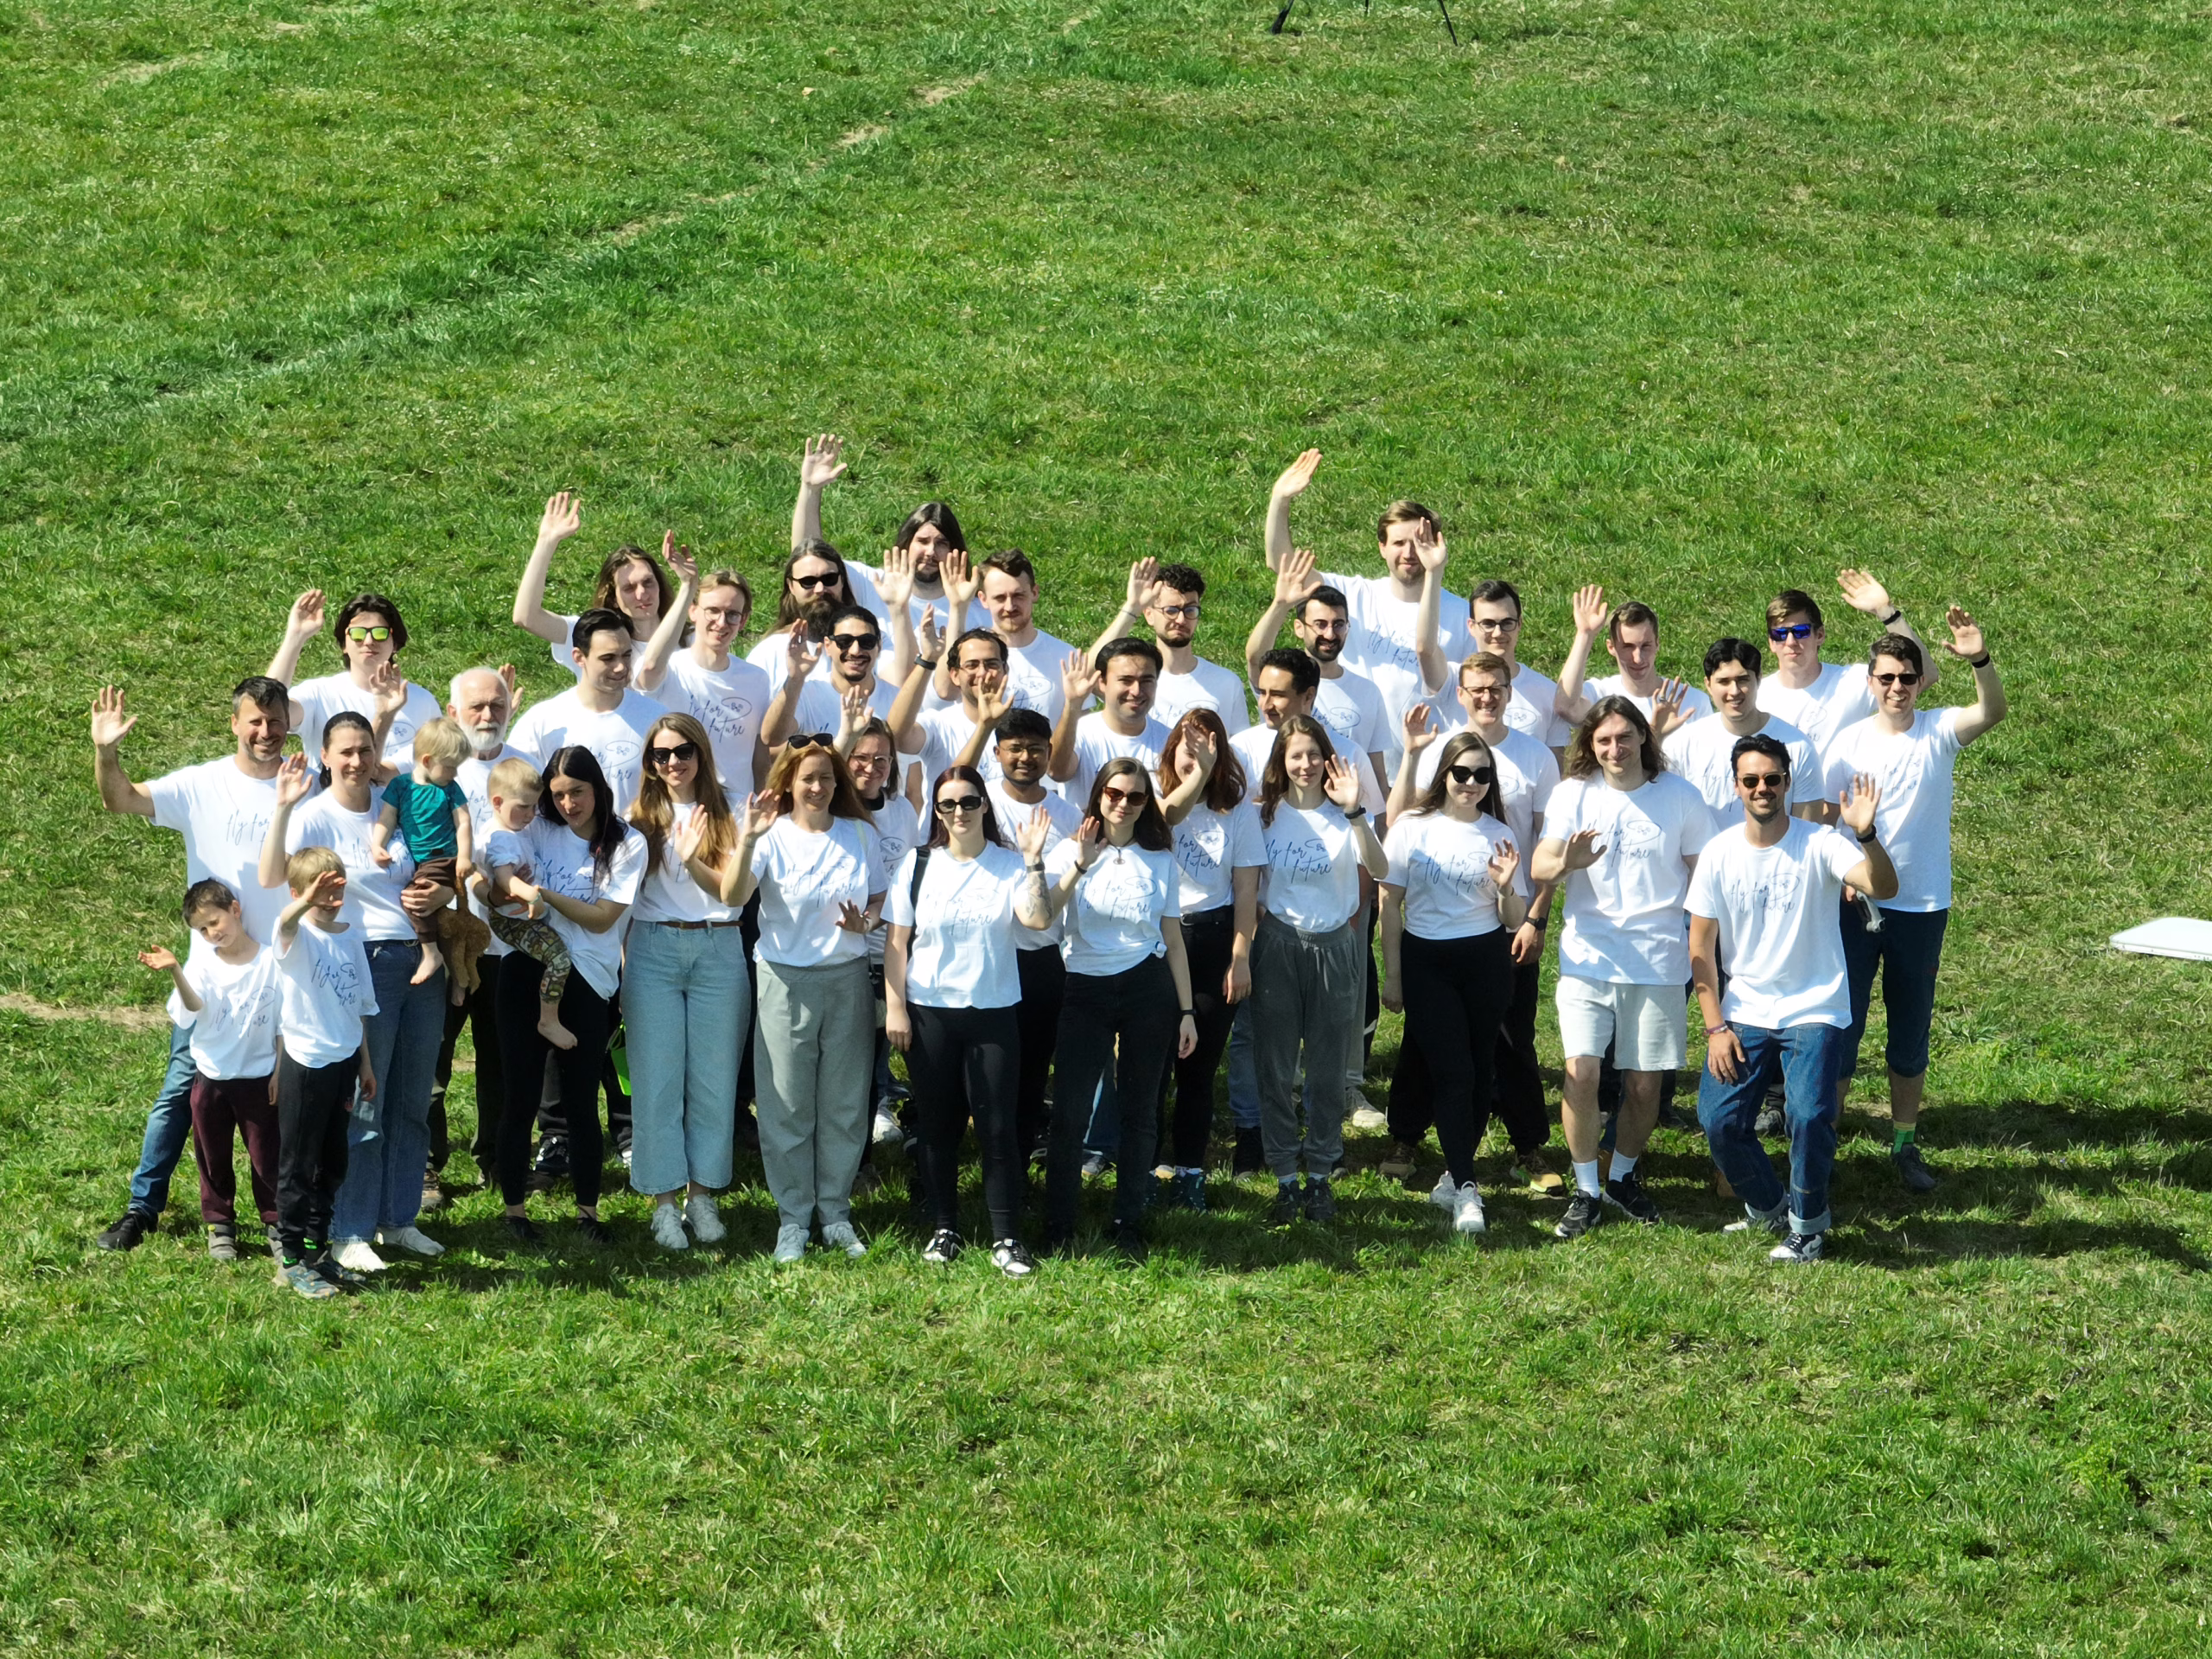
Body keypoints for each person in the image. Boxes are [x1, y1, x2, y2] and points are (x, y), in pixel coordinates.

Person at [88, 677, 294, 1253]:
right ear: (234, 723)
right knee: (182, 1094)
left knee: (294, 1102)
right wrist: (107, 751)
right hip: (212, 981)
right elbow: (119, 799)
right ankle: (142, 1209)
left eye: (275, 720)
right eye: (254, 720)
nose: (265, 731)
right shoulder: (202, 784)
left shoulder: (305, 783)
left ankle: (302, 1216)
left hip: (287, 977)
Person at [1691, 736, 1897, 1262]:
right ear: (1735, 786)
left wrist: (1866, 833)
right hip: (1744, 1010)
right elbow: (1700, 948)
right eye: (1751, 780)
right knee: (1719, 1121)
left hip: (1815, 1005)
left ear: (1787, 781)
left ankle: (1808, 1225)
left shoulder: (1821, 843)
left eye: (1772, 779)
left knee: (1809, 1115)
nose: (1763, 789)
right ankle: (1767, 1206)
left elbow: (1884, 886)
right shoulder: (1718, 853)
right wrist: (1716, 1028)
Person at [260, 715, 454, 1273]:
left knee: (413, 1102)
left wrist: (437, 895)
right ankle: (349, 1229)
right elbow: (275, 875)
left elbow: (437, 869)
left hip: (421, 957)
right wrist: (283, 808)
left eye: (364, 749)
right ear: (325, 756)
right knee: (367, 1105)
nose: (355, 761)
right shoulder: (315, 815)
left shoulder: (400, 802)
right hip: (363, 964)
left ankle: (400, 1219)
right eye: (344, 751)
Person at [1821, 612, 2006, 1192]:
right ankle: (1824, 1142)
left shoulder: (1938, 730)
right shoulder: (1847, 743)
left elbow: (1993, 712)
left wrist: (1980, 659)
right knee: (1841, 1027)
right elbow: (1826, 819)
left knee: (1909, 1032)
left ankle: (1904, 1143)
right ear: (1871, 683)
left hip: (1922, 907)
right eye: (1886, 678)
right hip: (1853, 907)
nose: (1897, 687)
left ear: (1918, 681)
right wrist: (1842, 870)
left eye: (1906, 677)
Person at [1532, 698, 1716, 1239]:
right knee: (1581, 1073)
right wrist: (1570, 861)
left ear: (1643, 738)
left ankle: (1622, 1179)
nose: (1615, 749)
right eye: (1604, 740)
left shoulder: (1679, 796)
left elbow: (1704, 875)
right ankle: (1586, 1189)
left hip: (1659, 960)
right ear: (1591, 744)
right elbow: (1541, 864)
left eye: (1625, 737)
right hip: (1588, 958)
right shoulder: (1573, 794)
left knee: (1643, 1089)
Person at [1383, 656, 1564, 1195]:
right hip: (1430, 947)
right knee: (1429, 1045)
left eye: (1481, 775)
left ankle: (1525, 1146)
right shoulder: (1433, 759)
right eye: (1476, 689)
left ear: (1511, 692)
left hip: (1502, 931)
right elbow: (1394, 863)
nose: (1471, 781)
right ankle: (1410, 1139)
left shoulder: (1533, 760)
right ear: (1460, 693)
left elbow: (1543, 846)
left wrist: (1529, 912)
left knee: (1507, 1043)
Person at [884, 766, 1057, 1276]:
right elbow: (897, 944)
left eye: (968, 801)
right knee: (938, 1127)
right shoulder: (918, 866)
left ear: (985, 805)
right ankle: (945, 1227)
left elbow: (1038, 920)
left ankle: (1007, 1237)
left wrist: (1034, 863)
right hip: (930, 1011)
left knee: (1000, 1128)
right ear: (936, 812)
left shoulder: (1008, 865)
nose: (958, 812)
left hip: (995, 1010)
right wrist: (895, 1007)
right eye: (947, 805)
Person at [721, 738, 886, 1262]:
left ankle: (834, 1212)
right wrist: (747, 840)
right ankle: (793, 1218)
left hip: (847, 978)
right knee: (786, 1104)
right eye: (807, 778)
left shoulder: (861, 834)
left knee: (843, 1102)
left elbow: (878, 898)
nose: (817, 787)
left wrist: (869, 922)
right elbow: (732, 896)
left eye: (827, 779)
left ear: (839, 785)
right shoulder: (770, 836)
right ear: (788, 782)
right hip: (784, 981)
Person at [1038, 759, 1198, 1252]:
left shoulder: (1161, 859)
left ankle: (1129, 1220)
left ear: (1147, 804)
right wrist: (1080, 864)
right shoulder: (1069, 850)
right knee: (1069, 1111)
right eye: (1114, 793)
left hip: (1147, 986)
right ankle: (1058, 1225)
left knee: (1140, 1110)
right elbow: (1042, 916)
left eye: (1135, 797)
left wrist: (1187, 1012)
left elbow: (1172, 939)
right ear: (1098, 795)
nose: (1123, 804)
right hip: (1083, 985)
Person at [494, 746, 647, 1245]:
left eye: (576, 792)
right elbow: (500, 877)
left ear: (598, 788)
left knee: (582, 1099)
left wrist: (544, 897)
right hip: (525, 967)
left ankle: (588, 1212)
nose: (566, 804)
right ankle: (515, 1211)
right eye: (557, 795)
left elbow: (604, 917)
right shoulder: (537, 828)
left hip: (590, 978)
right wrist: (497, 888)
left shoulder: (627, 843)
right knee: (519, 1095)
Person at [1379, 730, 1529, 1236]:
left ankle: (1451, 1176)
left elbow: (1513, 917)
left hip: (1485, 961)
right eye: (1461, 772)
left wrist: (1507, 886)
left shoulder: (1498, 833)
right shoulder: (1411, 828)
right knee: (1453, 1073)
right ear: (1444, 773)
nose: (1471, 783)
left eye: (1481, 775)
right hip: (1427, 962)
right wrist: (1394, 977)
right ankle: (1467, 1188)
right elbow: (1389, 905)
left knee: (1480, 1071)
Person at [1249, 716, 1390, 1224]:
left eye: (1313, 755)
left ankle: (1321, 1176)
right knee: (1276, 1067)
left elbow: (1380, 868)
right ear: (1280, 762)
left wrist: (1355, 812)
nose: (1304, 765)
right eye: (1295, 756)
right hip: (1278, 947)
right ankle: (1286, 1176)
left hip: (1336, 947)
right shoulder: (1263, 815)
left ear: (1326, 758)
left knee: (1329, 1072)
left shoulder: (1347, 814)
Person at [624, 713, 746, 1252]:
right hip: (652, 948)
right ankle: (664, 1202)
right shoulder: (636, 817)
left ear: (700, 752)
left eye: (682, 752)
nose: (672, 763)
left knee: (715, 1080)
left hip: (719, 945)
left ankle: (703, 1194)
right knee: (656, 1079)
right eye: (661, 755)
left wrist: (693, 856)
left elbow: (731, 892)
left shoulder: (731, 806)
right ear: (650, 762)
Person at [1263, 449, 1468, 761]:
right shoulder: (1355, 596)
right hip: (1356, 759)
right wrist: (1280, 499)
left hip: (1432, 764)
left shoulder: (1462, 614)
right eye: (1399, 543)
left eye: (1418, 542)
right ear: (1382, 547)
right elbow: (1283, 565)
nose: (1409, 553)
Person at [137, 880, 283, 1262]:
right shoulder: (201, 964)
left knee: (267, 1156)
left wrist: (280, 1070)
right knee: (212, 1157)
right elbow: (191, 1008)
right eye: (202, 930)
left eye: (214, 922)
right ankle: (220, 1226)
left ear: (236, 909)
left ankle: (276, 1223)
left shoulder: (271, 960)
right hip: (211, 1079)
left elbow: (285, 1023)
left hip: (259, 1079)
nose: (212, 933)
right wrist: (175, 972)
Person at [1154, 710, 1263, 1209]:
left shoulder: (1237, 813)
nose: (1193, 757)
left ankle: (1190, 1171)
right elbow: (1168, 818)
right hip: (1158, 944)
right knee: (1153, 1065)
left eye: (1204, 750)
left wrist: (1240, 958)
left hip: (1214, 940)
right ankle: (1148, 1166)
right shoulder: (1149, 802)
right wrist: (1196, 775)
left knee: (1198, 1069)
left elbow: (1246, 892)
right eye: (1185, 747)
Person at [427, 666, 524, 1205]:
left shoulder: (525, 769)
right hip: (447, 943)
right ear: (452, 712)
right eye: (476, 707)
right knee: (431, 1057)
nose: (487, 715)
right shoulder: (434, 779)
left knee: (503, 1061)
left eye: (497, 705)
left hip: (507, 948)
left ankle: (500, 1157)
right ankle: (423, 1165)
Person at [969, 708, 1081, 1161]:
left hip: (1040, 958)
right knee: (983, 1067)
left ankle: (1017, 1161)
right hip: (986, 955)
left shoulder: (1067, 815)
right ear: (996, 753)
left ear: (1049, 753)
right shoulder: (977, 805)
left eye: (1036, 749)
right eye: (1014, 748)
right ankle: (982, 1155)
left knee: (1033, 1067)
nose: (1025, 758)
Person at [269, 849, 378, 1300]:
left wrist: (366, 1063)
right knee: (299, 1164)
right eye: (319, 890)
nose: (331, 898)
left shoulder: (351, 938)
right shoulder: (296, 937)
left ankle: (317, 1254)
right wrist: (303, 901)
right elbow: (285, 924)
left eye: (336, 887)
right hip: (306, 1064)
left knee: (333, 1163)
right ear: (298, 893)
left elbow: (360, 1008)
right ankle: (290, 1259)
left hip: (344, 1063)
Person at [1244, 549, 1414, 810]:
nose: (1330, 634)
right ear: (1300, 628)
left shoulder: (1367, 692)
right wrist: (1281, 604)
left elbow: (1378, 779)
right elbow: (1256, 658)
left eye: (1338, 625)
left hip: (1345, 819)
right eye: (1320, 624)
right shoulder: (1282, 683)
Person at [792, 434, 975, 641]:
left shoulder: (974, 609)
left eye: (942, 543)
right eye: (922, 541)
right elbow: (807, 559)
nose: (930, 552)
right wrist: (810, 490)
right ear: (905, 544)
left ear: (956, 550)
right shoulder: (875, 586)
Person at [834, 711, 920, 1144]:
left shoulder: (902, 810)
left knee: (879, 1047)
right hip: (845, 947)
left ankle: (879, 1120)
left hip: (892, 947)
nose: (871, 768)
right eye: (860, 758)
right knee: (851, 1059)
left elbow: (903, 882)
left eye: (882, 760)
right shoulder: (833, 811)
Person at [634, 548, 771, 796]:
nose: (721, 622)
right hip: (677, 806)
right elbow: (648, 668)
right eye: (713, 611)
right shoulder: (671, 669)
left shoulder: (757, 679)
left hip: (734, 812)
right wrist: (687, 586)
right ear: (694, 611)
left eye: (732, 614)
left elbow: (760, 760)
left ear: (744, 620)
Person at [507, 607, 670, 813]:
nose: (620, 667)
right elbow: (510, 786)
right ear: (578, 657)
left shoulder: (656, 718)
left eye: (626, 655)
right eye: (608, 658)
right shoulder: (542, 721)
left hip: (640, 842)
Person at [1758, 576, 1938, 755]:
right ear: (1771, 642)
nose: (1791, 642)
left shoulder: (1852, 682)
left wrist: (1887, 612)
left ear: (1820, 635)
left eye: (1800, 632)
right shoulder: (1757, 696)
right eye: (1780, 634)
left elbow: (1927, 674)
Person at [267, 589, 445, 769]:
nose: (368, 641)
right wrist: (295, 637)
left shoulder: (422, 701)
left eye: (380, 633)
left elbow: (441, 764)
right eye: (358, 633)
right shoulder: (319, 693)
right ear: (344, 644)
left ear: (395, 644)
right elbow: (267, 708)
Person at [371, 715, 486, 992]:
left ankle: (431, 952)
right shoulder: (400, 787)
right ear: (426, 761)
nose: (454, 774)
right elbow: (387, 818)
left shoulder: (449, 789)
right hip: (421, 863)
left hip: (443, 859)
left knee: (413, 900)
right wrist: (377, 844)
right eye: (449, 767)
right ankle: (458, 975)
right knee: (439, 916)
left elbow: (464, 822)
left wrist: (465, 857)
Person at [474, 758, 582, 1051]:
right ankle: (548, 1019)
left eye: (534, 807)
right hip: (512, 919)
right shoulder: (501, 838)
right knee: (559, 959)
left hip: (520, 917)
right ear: (497, 802)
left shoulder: (511, 832)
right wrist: (534, 896)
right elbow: (506, 880)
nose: (530, 815)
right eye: (523, 807)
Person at [1662, 639, 1826, 827]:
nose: (1734, 691)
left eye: (1742, 680)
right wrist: (1655, 735)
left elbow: (1808, 831)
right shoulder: (1683, 745)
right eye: (1723, 681)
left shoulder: (1798, 747)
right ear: (1708, 684)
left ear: (1758, 679)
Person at [512, 492, 677, 677]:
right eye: (628, 588)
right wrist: (546, 542)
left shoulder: (691, 639)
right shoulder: (592, 637)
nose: (642, 593)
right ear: (613, 598)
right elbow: (526, 617)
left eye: (648, 582)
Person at [1088, 558, 1250, 734]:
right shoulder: (1130, 681)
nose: (1181, 620)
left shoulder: (1226, 683)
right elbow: (1087, 675)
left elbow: (1238, 752)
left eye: (1190, 610)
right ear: (1149, 614)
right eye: (1171, 610)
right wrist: (1132, 608)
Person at [1554, 588, 1712, 736]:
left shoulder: (1694, 702)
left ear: (1657, 644)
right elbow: (1565, 707)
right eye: (1628, 647)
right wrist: (1585, 634)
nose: (1638, 658)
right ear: (1611, 647)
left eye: (1645, 646)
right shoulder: (1600, 694)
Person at [892, 626, 1013, 792]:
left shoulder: (1022, 726)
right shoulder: (939, 724)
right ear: (955, 675)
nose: (983, 673)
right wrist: (927, 661)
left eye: (991, 664)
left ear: (1005, 670)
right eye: (972, 665)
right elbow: (896, 737)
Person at [1049, 638, 1173, 799]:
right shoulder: (1079, 732)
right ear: (1102, 682)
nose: (1136, 691)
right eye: (1125, 680)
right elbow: (1056, 772)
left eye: (1146, 681)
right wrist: (1072, 705)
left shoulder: (1170, 741)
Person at [1462, 579, 1571, 751]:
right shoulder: (1450, 684)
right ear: (1471, 626)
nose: (1498, 633)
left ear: (1519, 624)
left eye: (1507, 623)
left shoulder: (1547, 694)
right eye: (1488, 624)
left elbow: (1555, 772)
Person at [969, 549, 1074, 723]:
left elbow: (1080, 731)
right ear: (983, 599)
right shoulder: (971, 659)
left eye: (1018, 595)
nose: (1010, 607)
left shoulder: (1065, 657)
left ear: (1034, 593)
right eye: (1000, 598)